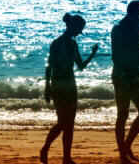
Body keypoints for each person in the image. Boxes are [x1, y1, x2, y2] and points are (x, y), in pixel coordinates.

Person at [40, 13, 98, 164]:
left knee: (69, 124)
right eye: (79, 29)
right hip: (59, 86)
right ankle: (46, 148)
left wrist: (92, 54)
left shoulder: (72, 44)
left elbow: (80, 66)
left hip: (70, 85)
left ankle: (66, 157)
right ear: (72, 27)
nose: (79, 33)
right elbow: (50, 67)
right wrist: (47, 88)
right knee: (63, 123)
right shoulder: (57, 43)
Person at [111, 0, 139, 164]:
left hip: (135, 74)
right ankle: (122, 152)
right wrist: (126, 73)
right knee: (123, 114)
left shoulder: (138, 26)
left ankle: (127, 146)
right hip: (121, 75)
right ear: (133, 12)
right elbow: (116, 55)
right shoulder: (118, 29)